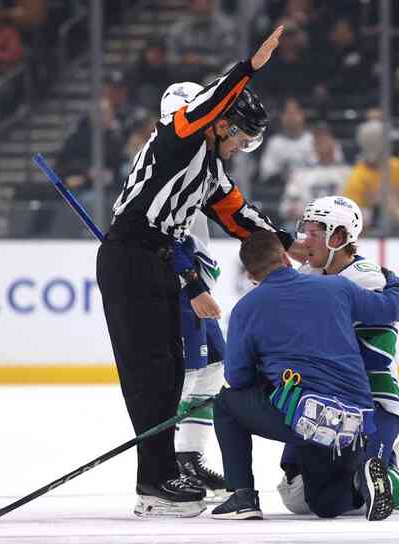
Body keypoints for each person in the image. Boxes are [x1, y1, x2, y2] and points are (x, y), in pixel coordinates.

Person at [96, 26, 305, 519]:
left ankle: (165, 468)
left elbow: (240, 217)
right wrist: (249, 67)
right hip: (129, 256)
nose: (242, 148)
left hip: (157, 261)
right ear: (220, 124)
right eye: (243, 138)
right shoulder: (180, 139)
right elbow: (211, 103)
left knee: (169, 371)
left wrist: (290, 244)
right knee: (149, 372)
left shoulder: (209, 169)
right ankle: (153, 481)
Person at [210, 230, 399, 521]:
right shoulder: (337, 288)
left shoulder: (246, 309)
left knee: (225, 403)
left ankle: (242, 496)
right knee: (325, 503)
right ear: (286, 259)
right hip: (356, 417)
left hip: (305, 418)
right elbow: (390, 307)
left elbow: (237, 378)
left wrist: (265, 375)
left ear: (252, 275)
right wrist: (394, 281)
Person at [276, 196, 399, 518]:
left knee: (365, 488)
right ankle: (392, 463)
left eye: (314, 232)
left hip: (372, 405)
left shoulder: (365, 278)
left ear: (339, 237)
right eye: (306, 231)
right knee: (296, 496)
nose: (304, 241)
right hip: (326, 406)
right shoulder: (312, 275)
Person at [159, 81, 228, 499]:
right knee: (181, 377)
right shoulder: (168, 161)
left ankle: (187, 458)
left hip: (196, 282)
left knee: (215, 366)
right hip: (180, 287)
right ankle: (164, 466)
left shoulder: (196, 164)